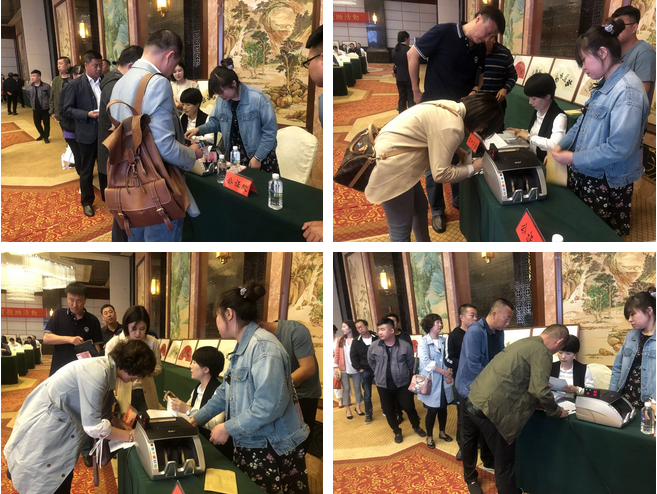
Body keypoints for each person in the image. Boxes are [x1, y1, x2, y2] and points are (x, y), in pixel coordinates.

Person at [189, 283, 310, 493]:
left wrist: (227, 428)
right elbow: (225, 392)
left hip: (272, 445)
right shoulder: (243, 346)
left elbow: (268, 406)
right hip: (254, 440)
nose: (215, 321)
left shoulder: (263, 347)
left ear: (229, 314)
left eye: (216, 316)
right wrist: (196, 419)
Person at [4, 339, 156, 494]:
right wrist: (131, 435)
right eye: (140, 373)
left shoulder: (104, 368)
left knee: (60, 475)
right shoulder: (98, 372)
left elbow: (96, 407)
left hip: (59, 425)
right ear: (131, 365)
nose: (138, 379)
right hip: (48, 428)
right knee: (47, 479)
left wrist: (114, 420)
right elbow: (93, 427)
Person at [408, 6, 505, 233]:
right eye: (488, 32)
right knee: (434, 164)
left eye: (492, 37)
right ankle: (437, 210)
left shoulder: (479, 48)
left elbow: (479, 78)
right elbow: (412, 54)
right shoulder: (444, 32)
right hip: (434, 113)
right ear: (478, 18)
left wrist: (475, 90)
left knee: (459, 155)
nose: (488, 39)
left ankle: (458, 198)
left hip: (461, 114)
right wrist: (416, 91)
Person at [551, 19, 649, 237]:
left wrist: (573, 158)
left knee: (597, 234)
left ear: (603, 53)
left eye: (584, 60)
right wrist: (561, 146)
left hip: (606, 179)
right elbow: (582, 122)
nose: (583, 68)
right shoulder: (605, 85)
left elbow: (619, 148)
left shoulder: (627, 91)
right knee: (580, 227)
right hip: (589, 170)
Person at [365, 93, 504, 242]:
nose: (481, 130)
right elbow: (441, 174)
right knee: (401, 229)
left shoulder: (453, 107)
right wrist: (474, 168)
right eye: (484, 126)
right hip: (392, 167)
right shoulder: (454, 126)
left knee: (420, 208)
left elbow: (433, 133)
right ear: (480, 118)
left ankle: (425, 247)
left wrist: (457, 149)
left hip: (396, 157)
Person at [110, 29, 204, 242]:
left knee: (138, 244)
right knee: (161, 245)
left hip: (128, 182)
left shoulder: (122, 80)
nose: (172, 71)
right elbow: (165, 147)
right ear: (170, 56)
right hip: (156, 186)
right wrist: (193, 154)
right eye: (174, 64)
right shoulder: (157, 82)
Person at [462, 325, 569, 494]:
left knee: (471, 444)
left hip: (472, 398)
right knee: (505, 460)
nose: (557, 353)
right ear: (559, 342)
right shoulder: (543, 352)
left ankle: (471, 478)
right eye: (560, 349)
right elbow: (539, 390)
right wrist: (556, 411)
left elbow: (520, 378)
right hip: (492, 410)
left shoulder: (524, 342)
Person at [455, 298, 514, 472]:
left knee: (488, 428)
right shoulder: (475, 331)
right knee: (469, 434)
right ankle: (470, 475)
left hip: (487, 388)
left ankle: (488, 461)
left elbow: (499, 359)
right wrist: (499, 380)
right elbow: (474, 365)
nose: (508, 323)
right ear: (494, 313)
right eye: (506, 318)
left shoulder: (499, 332)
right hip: (469, 389)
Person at [185, 65, 279, 173]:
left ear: (233, 83)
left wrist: (258, 157)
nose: (220, 96)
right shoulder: (221, 100)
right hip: (235, 156)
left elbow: (270, 131)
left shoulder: (258, 98)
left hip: (260, 156)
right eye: (217, 93)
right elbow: (216, 123)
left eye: (222, 91)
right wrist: (198, 130)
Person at [260, 319, 321, 450]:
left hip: (302, 395)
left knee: (298, 444)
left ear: (260, 326)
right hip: (279, 394)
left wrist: (275, 388)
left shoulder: (295, 331)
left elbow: (308, 369)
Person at [165, 346, 231, 457]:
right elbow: (189, 406)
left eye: (194, 362)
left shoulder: (218, 391)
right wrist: (175, 402)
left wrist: (188, 409)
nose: (190, 366)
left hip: (214, 447)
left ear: (206, 369)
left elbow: (215, 423)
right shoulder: (198, 387)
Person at [368, 317, 426, 443]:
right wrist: (378, 373)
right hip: (383, 385)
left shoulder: (405, 346)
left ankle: (416, 427)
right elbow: (371, 362)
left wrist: (405, 375)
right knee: (389, 411)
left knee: (409, 407)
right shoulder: (374, 346)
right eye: (378, 329)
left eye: (383, 329)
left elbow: (411, 364)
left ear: (392, 330)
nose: (380, 332)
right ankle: (397, 431)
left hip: (402, 384)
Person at [98, 45, 144, 205]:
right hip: (115, 145)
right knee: (122, 199)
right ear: (131, 66)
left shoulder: (113, 79)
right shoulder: (117, 84)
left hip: (111, 143)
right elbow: (123, 120)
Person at [61, 50, 104, 218]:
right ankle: (87, 202)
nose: (99, 69)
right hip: (86, 133)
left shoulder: (106, 82)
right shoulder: (74, 85)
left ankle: (108, 196)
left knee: (106, 167)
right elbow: (67, 109)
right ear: (86, 65)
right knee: (86, 170)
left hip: (105, 133)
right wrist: (86, 114)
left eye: (100, 65)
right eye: (95, 66)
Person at [104, 306, 162, 414]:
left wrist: (145, 371)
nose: (138, 334)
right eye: (134, 329)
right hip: (123, 391)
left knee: (149, 419)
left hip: (146, 390)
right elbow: (109, 371)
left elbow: (158, 367)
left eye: (142, 329)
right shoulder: (115, 343)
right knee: (125, 420)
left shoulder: (152, 342)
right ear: (126, 325)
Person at [43, 282, 103, 377]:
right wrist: (70, 339)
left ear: (85, 300)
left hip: (83, 371)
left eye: (79, 301)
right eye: (71, 300)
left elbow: (97, 347)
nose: (74, 305)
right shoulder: (58, 314)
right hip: (59, 368)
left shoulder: (93, 320)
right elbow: (46, 338)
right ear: (67, 298)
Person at [609, 288, 656, 408]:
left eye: (632, 314)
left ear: (649, 311)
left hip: (649, 404)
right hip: (625, 399)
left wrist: (654, 402)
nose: (630, 319)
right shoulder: (631, 335)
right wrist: (611, 396)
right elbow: (618, 367)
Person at [507, 73, 567, 164]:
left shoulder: (559, 117)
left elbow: (555, 144)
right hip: (533, 157)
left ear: (548, 97)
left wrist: (529, 137)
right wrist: (522, 131)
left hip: (545, 164)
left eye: (534, 99)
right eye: (529, 98)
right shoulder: (539, 110)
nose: (530, 102)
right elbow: (539, 132)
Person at [445, 303, 478, 460]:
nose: (475, 318)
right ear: (462, 317)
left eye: (476, 315)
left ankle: (477, 442)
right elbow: (448, 359)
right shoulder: (453, 336)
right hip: (461, 382)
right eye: (472, 315)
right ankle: (462, 446)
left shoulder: (478, 333)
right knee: (462, 416)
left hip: (478, 381)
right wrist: (465, 363)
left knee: (477, 411)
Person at [418, 314, 454, 449]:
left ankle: (442, 432)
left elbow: (449, 358)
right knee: (432, 410)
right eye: (437, 322)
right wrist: (444, 372)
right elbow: (426, 363)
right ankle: (429, 436)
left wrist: (449, 372)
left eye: (441, 322)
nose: (440, 324)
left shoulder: (444, 340)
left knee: (443, 408)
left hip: (444, 381)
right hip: (432, 382)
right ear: (430, 324)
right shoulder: (424, 342)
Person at [612, 5, 655, 107]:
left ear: (634, 28)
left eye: (621, 25)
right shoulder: (613, 50)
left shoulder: (645, 52)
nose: (616, 30)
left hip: (627, 112)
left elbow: (640, 93)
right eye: (614, 26)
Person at [480, 36, 517, 126]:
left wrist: (505, 89)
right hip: (477, 102)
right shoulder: (474, 51)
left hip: (496, 102)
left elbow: (513, 76)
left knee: (496, 129)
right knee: (476, 131)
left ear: (492, 38)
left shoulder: (504, 53)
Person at [550, 334, 594, 402]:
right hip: (553, 403)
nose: (563, 357)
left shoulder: (583, 369)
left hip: (575, 403)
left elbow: (592, 392)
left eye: (568, 354)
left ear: (575, 354)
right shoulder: (552, 367)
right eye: (560, 353)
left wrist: (577, 389)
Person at [334, 320, 364, 419]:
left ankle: (358, 408)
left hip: (356, 368)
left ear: (350, 328)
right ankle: (348, 410)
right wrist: (336, 366)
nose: (342, 329)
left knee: (357, 387)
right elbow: (337, 354)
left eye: (344, 327)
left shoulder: (358, 339)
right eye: (342, 327)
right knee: (346, 389)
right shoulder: (340, 340)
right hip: (343, 368)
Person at [58, 65, 85, 176]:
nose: (82, 77)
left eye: (84, 75)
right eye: (79, 75)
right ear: (73, 75)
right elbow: (62, 111)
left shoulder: (87, 88)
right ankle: (82, 178)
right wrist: (83, 114)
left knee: (85, 154)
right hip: (71, 128)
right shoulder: (67, 89)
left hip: (85, 127)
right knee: (78, 154)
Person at [351, 319, 378, 424]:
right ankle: (368, 414)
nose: (360, 329)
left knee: (383, 391)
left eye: (361, 326)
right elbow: (353, 357)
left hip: (378, 369)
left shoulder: (376, 338)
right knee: (367, 394)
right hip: (365, 370)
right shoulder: (356, 341)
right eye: (358, 328)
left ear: (367, 326)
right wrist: (359, 368)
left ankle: (386, 410)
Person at [25, 69, 52, 144]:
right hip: (35, 108)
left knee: (46, 124)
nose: (32, 77)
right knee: (37, 123)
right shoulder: (29, 87)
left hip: (45, 108)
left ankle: (46, 137)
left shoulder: (46, 86)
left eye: (34, 76)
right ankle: (42, 134)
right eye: (31, 76)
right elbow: (28, 96)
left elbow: (50, 96)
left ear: (39, 77)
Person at [393, 31, 414, 114]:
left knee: (402, 97)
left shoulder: (394, 50)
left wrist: (395, 71)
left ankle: (401, 114)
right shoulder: (409, 50)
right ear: (406, 39)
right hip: (409, 77)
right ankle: (411, 115)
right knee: (411, 97)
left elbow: (396, 64)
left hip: (399, 77)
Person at [49, 56, 71, 126]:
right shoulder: (56, 80)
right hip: (60, 112)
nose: (58, 66)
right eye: (58, 64)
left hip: (73, 112)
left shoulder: (73, 78)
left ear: (68, 65)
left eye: (61, 64)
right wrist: (52, 111)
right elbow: (52, 97)